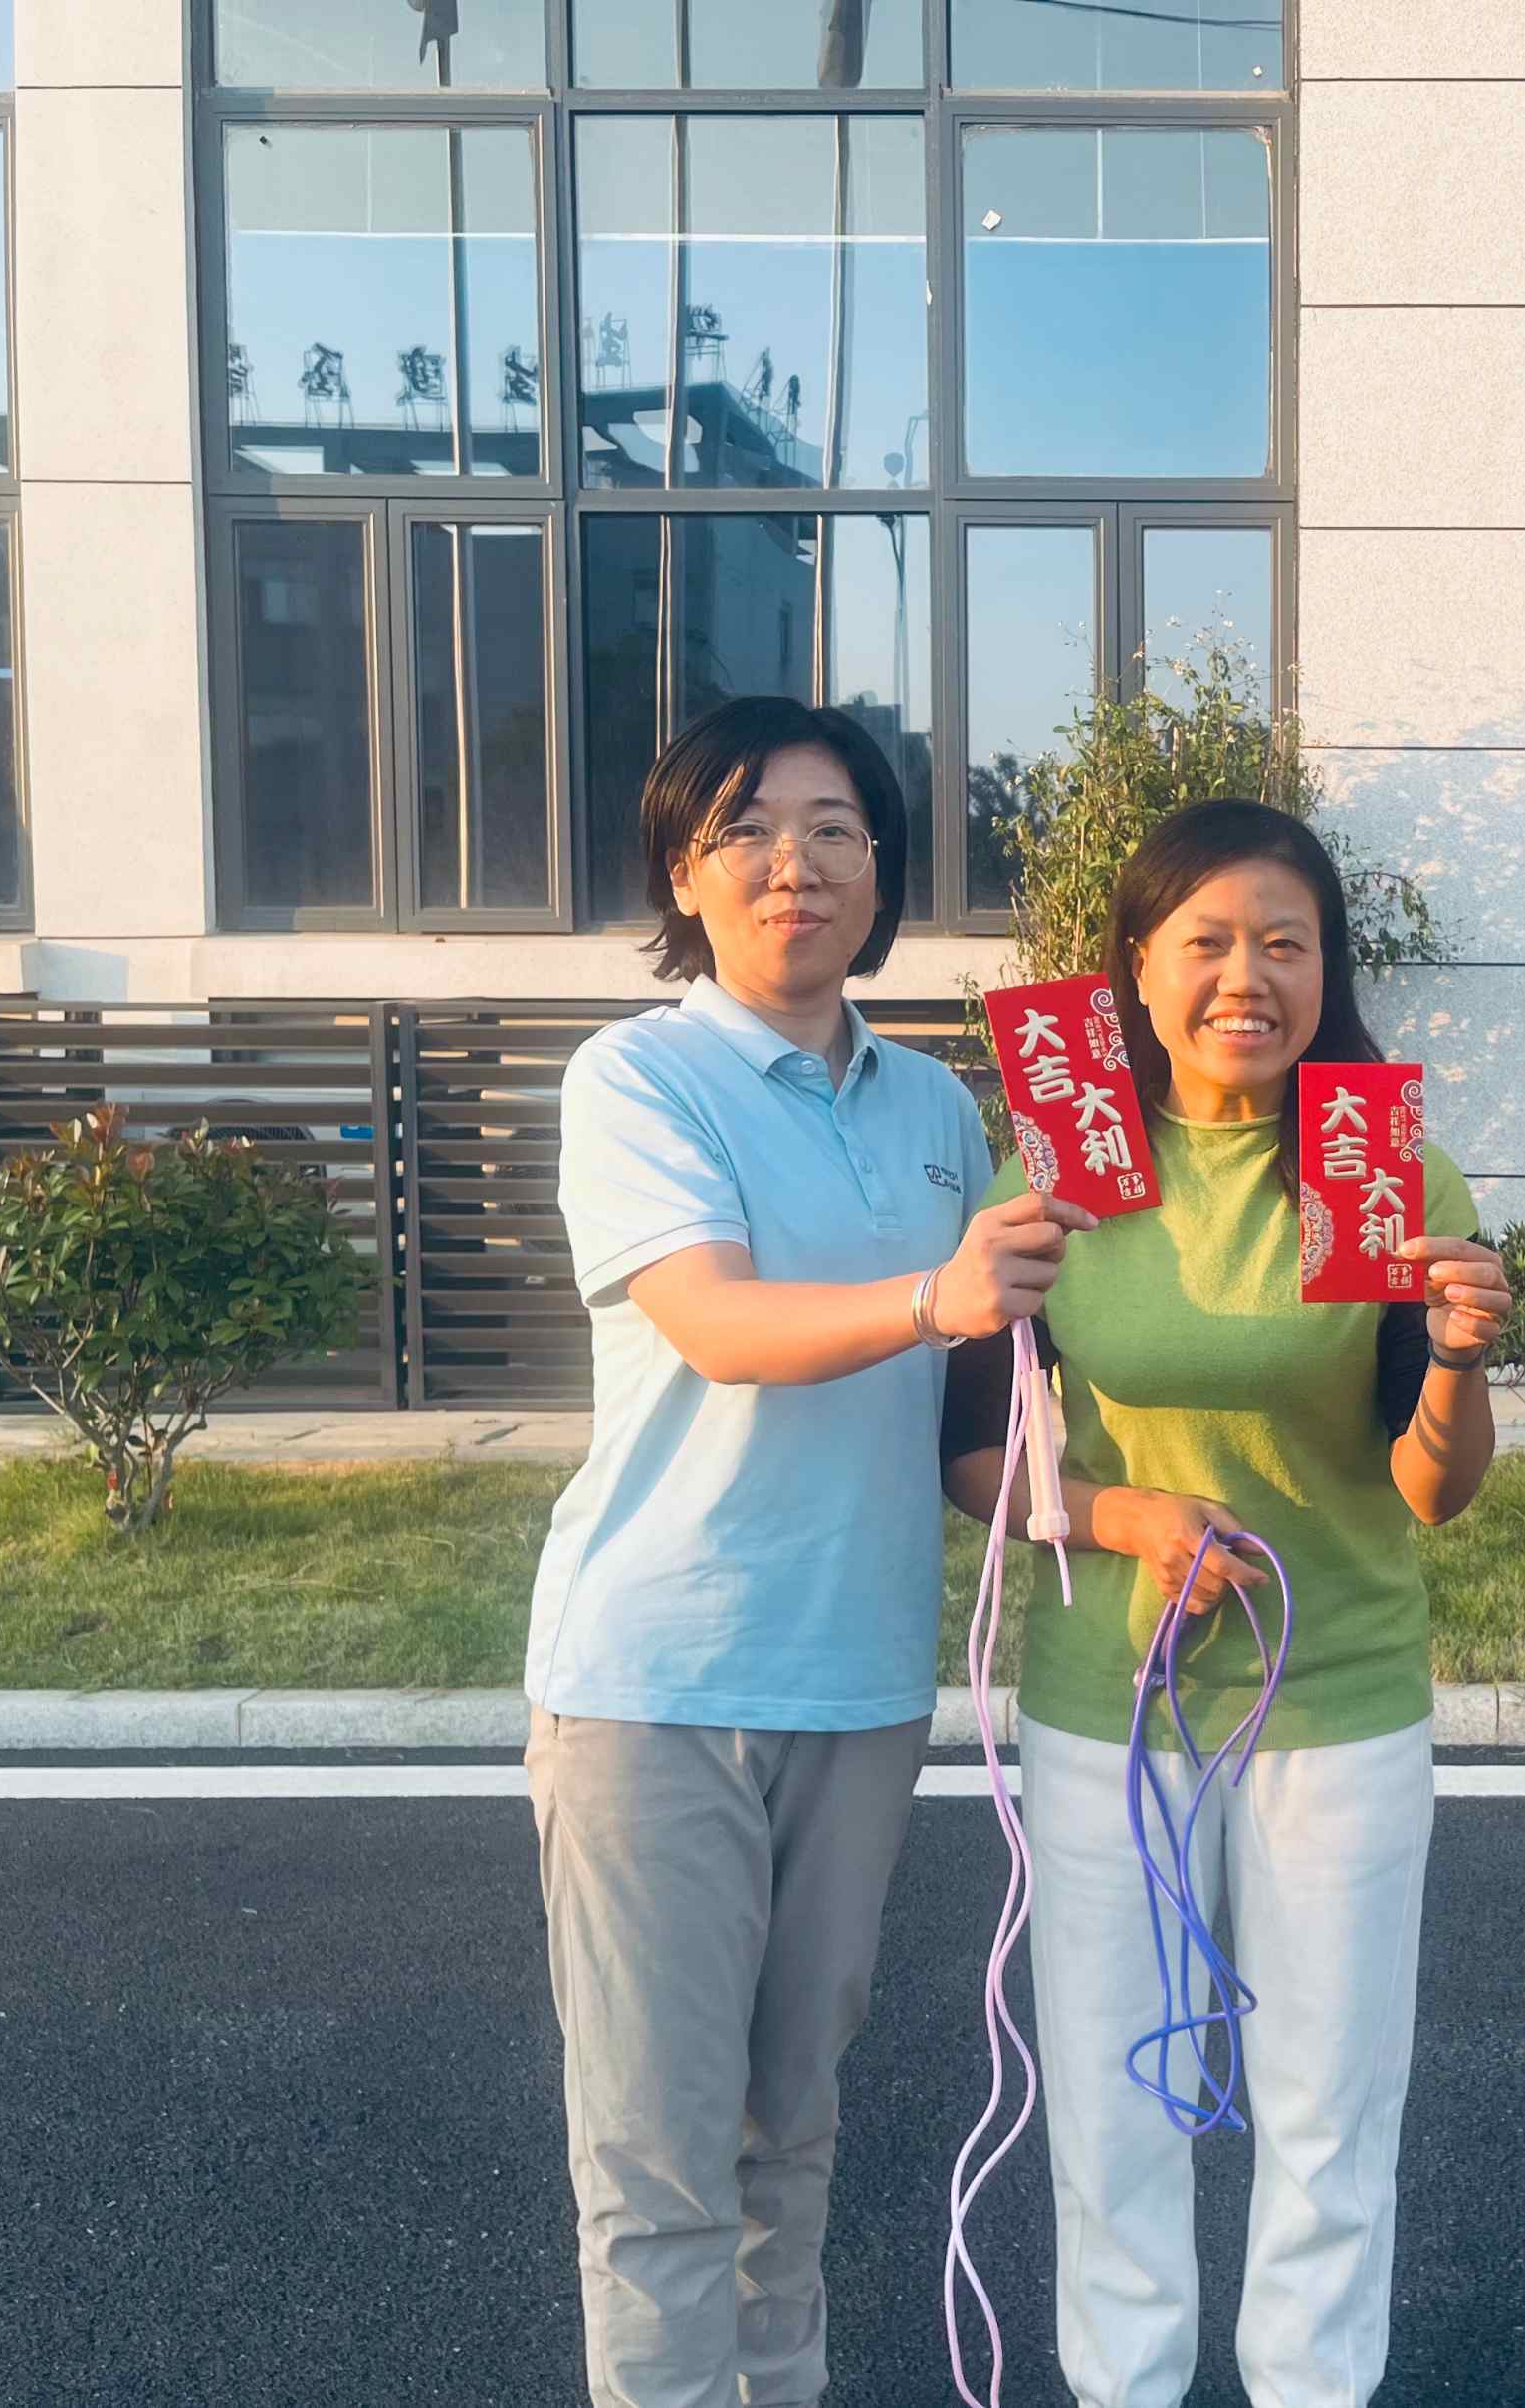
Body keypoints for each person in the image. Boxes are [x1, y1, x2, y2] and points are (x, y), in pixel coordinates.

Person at [526, 695, 1093, 2408]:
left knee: (793, 2140)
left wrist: (1120, 1475)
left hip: (857, 1688)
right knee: (660, 2166)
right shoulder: (637, 1076)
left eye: (837, 829)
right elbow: (714, 1323)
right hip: (659, 1683)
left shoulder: (937, 1112)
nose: (797, 865)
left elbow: (973, 1429)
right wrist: (935, 1295)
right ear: (682, 873)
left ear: (881, 872)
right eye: (749, 831)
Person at [943, 800, 1515, 2408]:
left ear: (1328, 971)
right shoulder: (1056, 1169)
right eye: (1206, 942)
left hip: (1337, 1695)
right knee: (1112, 2103)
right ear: (1137, 965)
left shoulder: (1382, 1166)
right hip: (1105, 1700)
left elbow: (1432, 1489)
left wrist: (1459, 1356)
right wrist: (1122, 1515)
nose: (1245, 979)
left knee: (1331, 2104)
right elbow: (975, 1458)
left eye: (1285, 944)